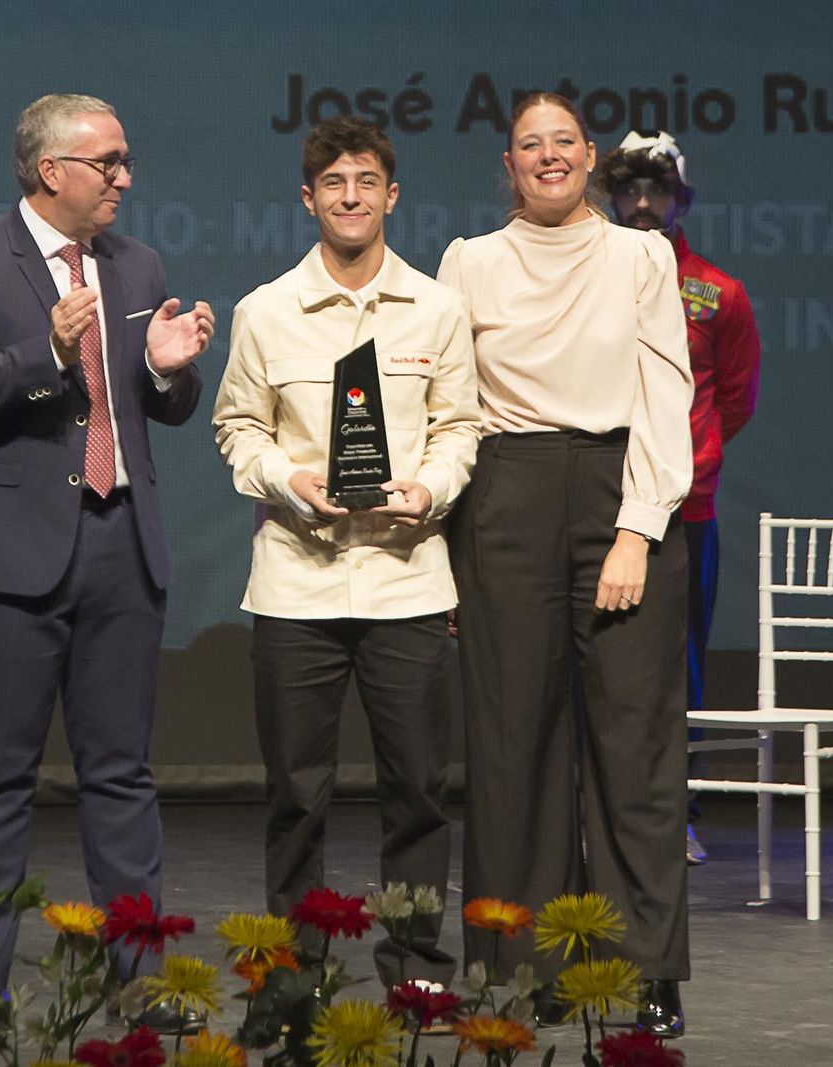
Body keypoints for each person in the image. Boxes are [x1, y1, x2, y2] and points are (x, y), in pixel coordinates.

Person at [0, 93, 213, 1043]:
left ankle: (138, 983)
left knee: (121, 774)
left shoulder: (138, 264)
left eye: (125, 161)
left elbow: (157, 404)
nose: (125, 178)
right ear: (52, 171)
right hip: (9, 555)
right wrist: (43, 350)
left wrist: (166, 370)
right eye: (108, 162)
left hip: (122, 543)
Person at [438, 93, 694, 1037]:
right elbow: (449, 405)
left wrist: (636, 528)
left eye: (563, 142)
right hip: (504, 495)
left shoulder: (640, 256)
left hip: (618, 490)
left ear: (590, 157)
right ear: (508, 165)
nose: (547, 156)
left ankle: (646, 967)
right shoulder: (468, 261)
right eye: (528, 145)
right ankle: (520, 967)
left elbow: (665, 391)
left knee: (635, 744)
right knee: (514, 744)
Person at [211, 116, 480, 989]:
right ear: (308, 199)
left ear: (391, 196)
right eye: (334, 182)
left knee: (418, 793)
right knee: (295, 795)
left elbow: (460, 428)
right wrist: (288, 479)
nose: (351, 196)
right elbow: (237, 427)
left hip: (408, 582)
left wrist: (429, 488)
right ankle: (293, 973)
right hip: (297, 585)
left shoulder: (437, 309)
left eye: (366, 181)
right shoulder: (265, 311)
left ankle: (415, 967)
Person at [596, 129, 762, 866]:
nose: (641, 203)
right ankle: (593, 808)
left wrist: (683, 458)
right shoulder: (588, 278)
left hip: (682, 509)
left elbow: (734, 400)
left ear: (681, 201)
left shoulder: (718, 293)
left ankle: (675, 813)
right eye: (628, 189)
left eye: (656, 191)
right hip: (595, 499)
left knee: (678, 664)